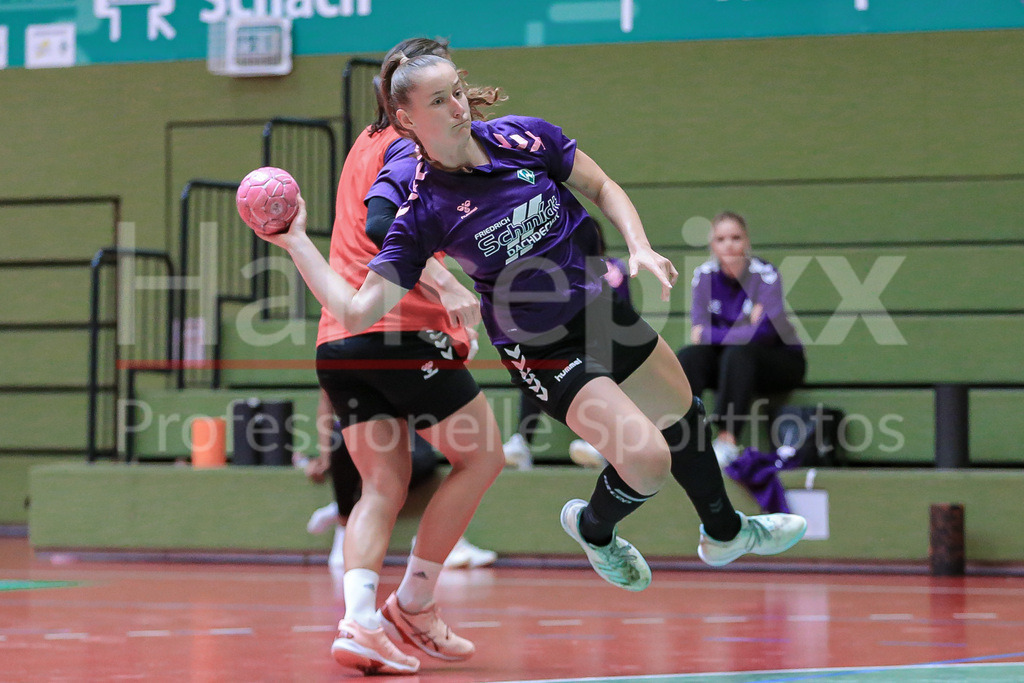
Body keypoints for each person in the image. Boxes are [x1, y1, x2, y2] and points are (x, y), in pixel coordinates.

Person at [260, 51, 806, 600]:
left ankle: (724, 533)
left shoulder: (521, 137)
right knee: (647, 461)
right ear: (406, 119)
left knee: (683, 417)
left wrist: (639, 246)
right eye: (438, 101)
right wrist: (297, 242)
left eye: (457, 92)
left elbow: (602, 186)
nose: (457, 107)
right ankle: (594, 529)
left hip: (600, 309)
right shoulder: (423, 205)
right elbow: (356, 310)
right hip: (541, 346)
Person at [295, 38, 506, 676]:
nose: (453, 101)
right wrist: (447, 286)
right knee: (482, 457)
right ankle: (414, 603)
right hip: (399, 333)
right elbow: (383, 229)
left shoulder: (367, 141)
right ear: (408, 102)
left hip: (340, 343)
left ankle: (359, 622)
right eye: (439, 93)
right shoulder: (405, 149)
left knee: (381, 486)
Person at [305, 388, 498, 570]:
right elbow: (326, 402)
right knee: (340, 441)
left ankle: (363, 505)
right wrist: (325, 457)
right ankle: (344, 521)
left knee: (423, 460)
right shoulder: (339, 369)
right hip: (363, 424)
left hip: (402, 422)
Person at [676, 211, 807, 468]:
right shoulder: (704, 276)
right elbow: (697, 334)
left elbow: (764, 334)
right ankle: (683, 437)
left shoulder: (765, 274)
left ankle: (727, 441)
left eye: (735, 238)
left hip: (779, 361)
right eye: (721, 239)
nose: (728, 245)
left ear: (746, 241)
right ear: (712, 245)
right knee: (690, 355)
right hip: (732, 361)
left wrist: (715, 335)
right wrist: (745, 327)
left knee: (739, 352)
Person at [502, 220, 628, 470]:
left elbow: (621, 309)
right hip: (568, 341)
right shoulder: (556, 269)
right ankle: (521, 442)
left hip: (605, 338)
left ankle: (599, 444)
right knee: (537, 365)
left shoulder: (612, 267)